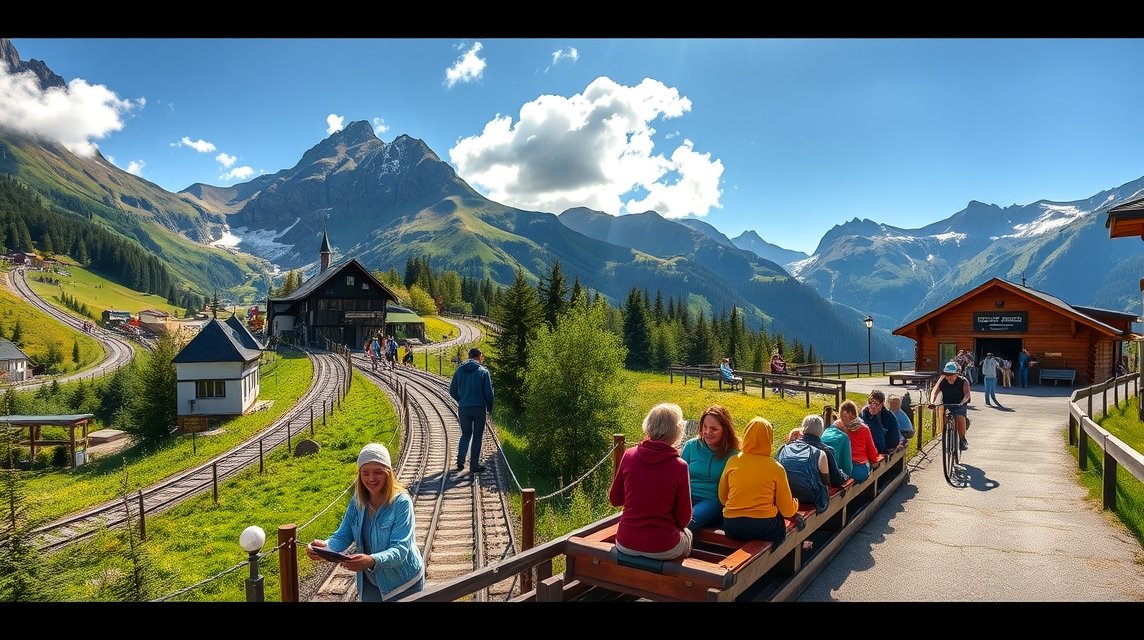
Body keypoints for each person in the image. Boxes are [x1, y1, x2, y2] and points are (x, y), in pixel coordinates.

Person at [305, 443, 425, 601]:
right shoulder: (358, 502)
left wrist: (371, 560)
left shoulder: (401, 502)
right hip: (369, 582)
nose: (371, 479)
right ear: (359, 475)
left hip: (403, 583)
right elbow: (343, 535)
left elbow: (400, 550)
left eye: (378, 472)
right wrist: (325, 548)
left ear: (388, 473)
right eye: (365, 473)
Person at [608, 403, 693, 560]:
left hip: (626, 543)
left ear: (648, 426)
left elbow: (615, 499)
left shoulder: (629, 455)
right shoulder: (679, 466)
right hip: (663, 546)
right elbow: (684, 519)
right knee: (688, 535)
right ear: (677, 430)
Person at [718, 416, 799, 544]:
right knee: (779, 526)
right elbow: (787, 510)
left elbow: (723, 497)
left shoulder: (733, 461)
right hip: (763, 527)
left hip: (732, 526)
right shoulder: (776, 467)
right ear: (769, 439)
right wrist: (795, 503)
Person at [680, 405, 741, 532]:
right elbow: (678, 477)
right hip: (685, 497)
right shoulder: (691, 446)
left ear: (725, 430)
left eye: (714, 429)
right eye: (705, 427)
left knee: (689, 522)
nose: (707, 432)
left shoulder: (733, 455)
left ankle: (674, 550)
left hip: (712, 500)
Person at [775, 416, 837, 514]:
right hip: (810, 496)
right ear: (821, 431)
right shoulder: (820, 453)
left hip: (786, 494)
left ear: (803, 429)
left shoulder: (784, 448)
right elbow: (826, 482)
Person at [449, 347, 495, 473]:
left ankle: (460, 461)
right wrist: (489, 408)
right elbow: (489, 394)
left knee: (466, 434)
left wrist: (461, 400)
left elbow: (452, 390)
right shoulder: (483, 372)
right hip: (479, 408)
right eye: (481, 356)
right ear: (478, 356)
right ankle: (474, 465)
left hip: (464, 408)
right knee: (477, 435)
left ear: (469, 356)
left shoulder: (460, 370)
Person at [929, 360, 971, 451]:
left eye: (951, 375)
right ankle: (946, 434)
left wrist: (962, 403)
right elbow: (934, 391)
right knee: (945, 418)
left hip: (960, 403)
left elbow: (967, 395)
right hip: (947, 404)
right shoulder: (943, 380)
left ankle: (962, 439)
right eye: (946, 375)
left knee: (960, 416)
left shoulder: (963, 381)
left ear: (957, 373)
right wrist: (932, 402)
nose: (948, 377)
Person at [835, 400, 880, 482]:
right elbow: (871, 449)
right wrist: (874, 461)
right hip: (858, 468)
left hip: (839, 467)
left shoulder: (836, 427)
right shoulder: (864, 428)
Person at [860, 389, 902, 453]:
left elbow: (894, 438)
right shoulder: (864, 413)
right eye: (870, 403)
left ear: (881, 405)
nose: (873, 406)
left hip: (883, 450)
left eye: (876, 404)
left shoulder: (888, 416)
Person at [820, 407, 854, 481]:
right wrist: (847, 476)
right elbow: (847, 467)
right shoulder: (844, 437)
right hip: (833, 475)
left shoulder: (824, 433)